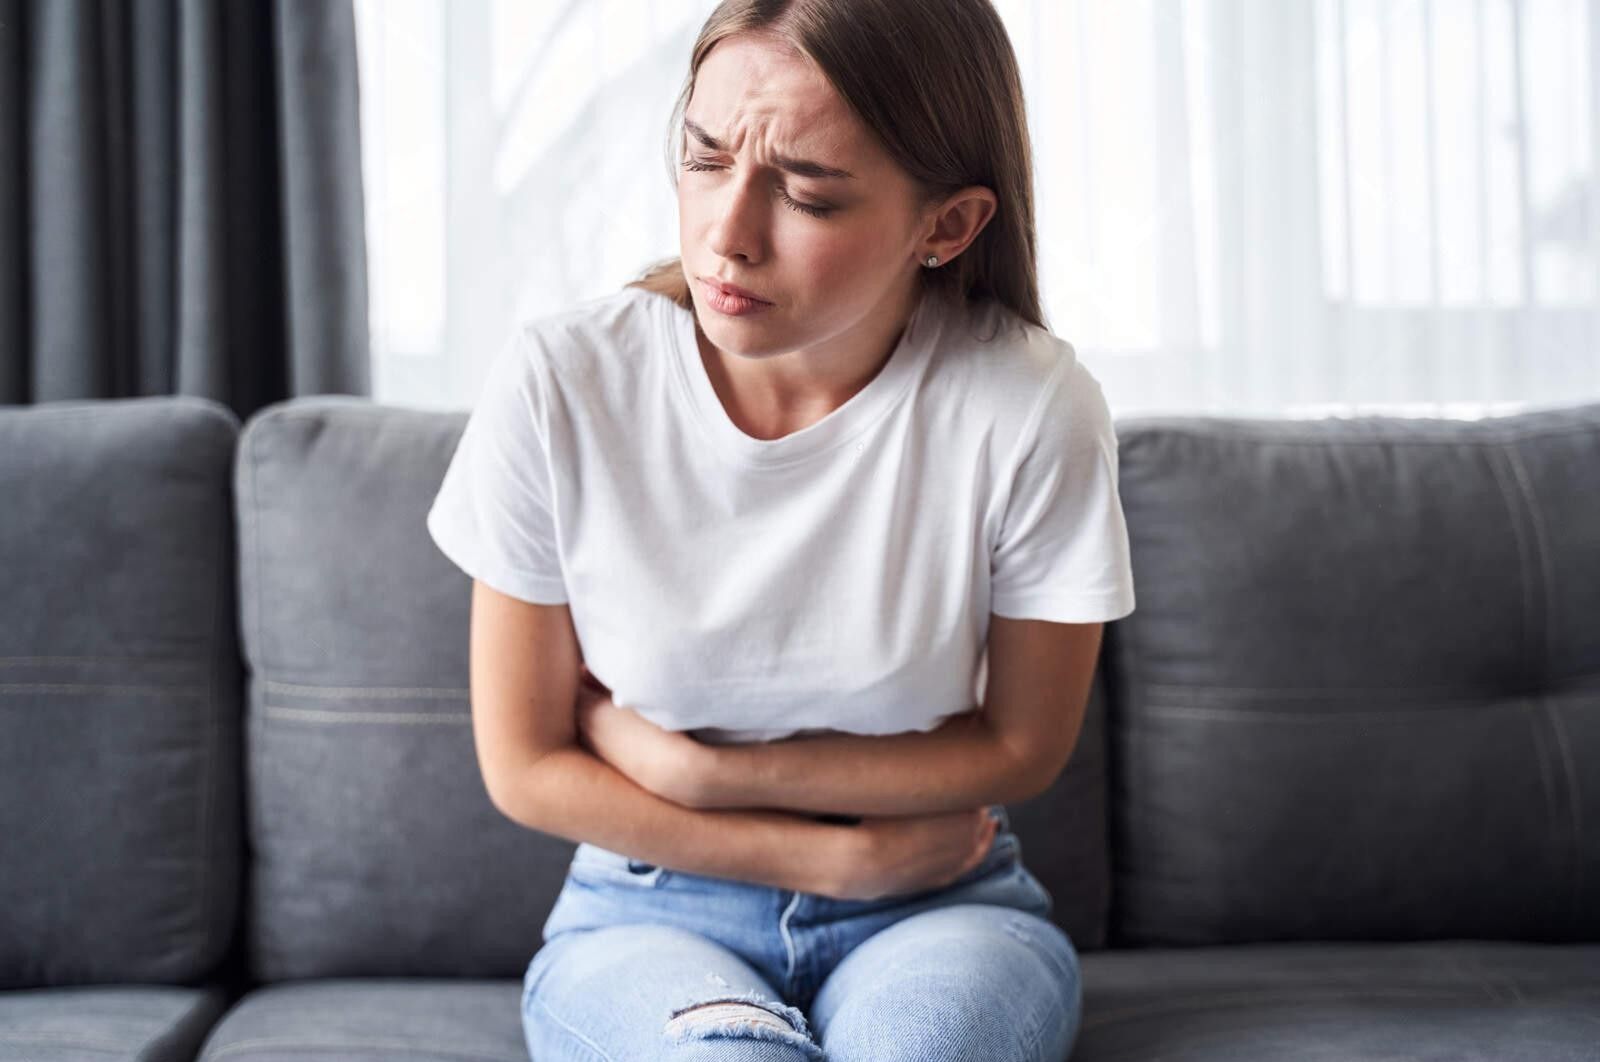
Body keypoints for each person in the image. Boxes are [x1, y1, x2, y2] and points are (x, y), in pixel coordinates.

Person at [424, 0, 1136, 1058]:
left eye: (804, 192)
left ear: (947, 225)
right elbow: (524, 761)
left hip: (938, 901)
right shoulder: (563, 383)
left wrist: (705, 772)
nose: (727, 235)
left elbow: (1022, 746)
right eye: (704, 160)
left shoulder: (1027, 405)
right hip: (644, 913)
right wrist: (825, 862)